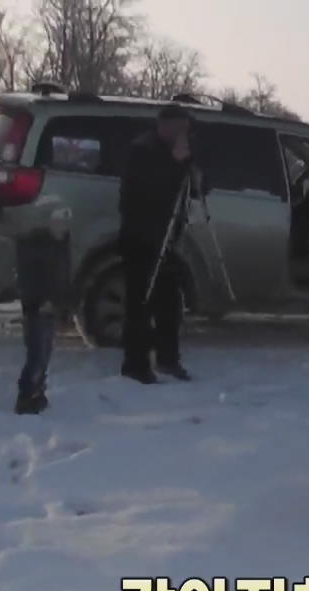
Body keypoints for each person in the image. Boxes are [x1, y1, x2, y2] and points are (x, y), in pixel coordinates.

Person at [117, 104, 201, 384]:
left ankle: (168, 358)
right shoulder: (144, 150)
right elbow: (147, 191)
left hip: (166, 238)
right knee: (139, 301)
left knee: (169, 301)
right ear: (164, 125)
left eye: (185, 129)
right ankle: (135, 364)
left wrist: (189, 167)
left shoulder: (174, 151)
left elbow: (189, 189)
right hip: (141, 235)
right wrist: (177, 164)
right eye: (178, 128)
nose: (182, 134)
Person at [12, 208, 73, 415]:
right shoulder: (36, 248)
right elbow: (30, 281)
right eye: (58, 223)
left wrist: (64, 306)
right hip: (37, 308)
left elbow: (63, 279)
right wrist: (40, 301)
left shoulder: (61, 246)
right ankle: (26, 395)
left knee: (44, 353)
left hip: (50, 308)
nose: (62, 228)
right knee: (37, 354)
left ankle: (37, 391)